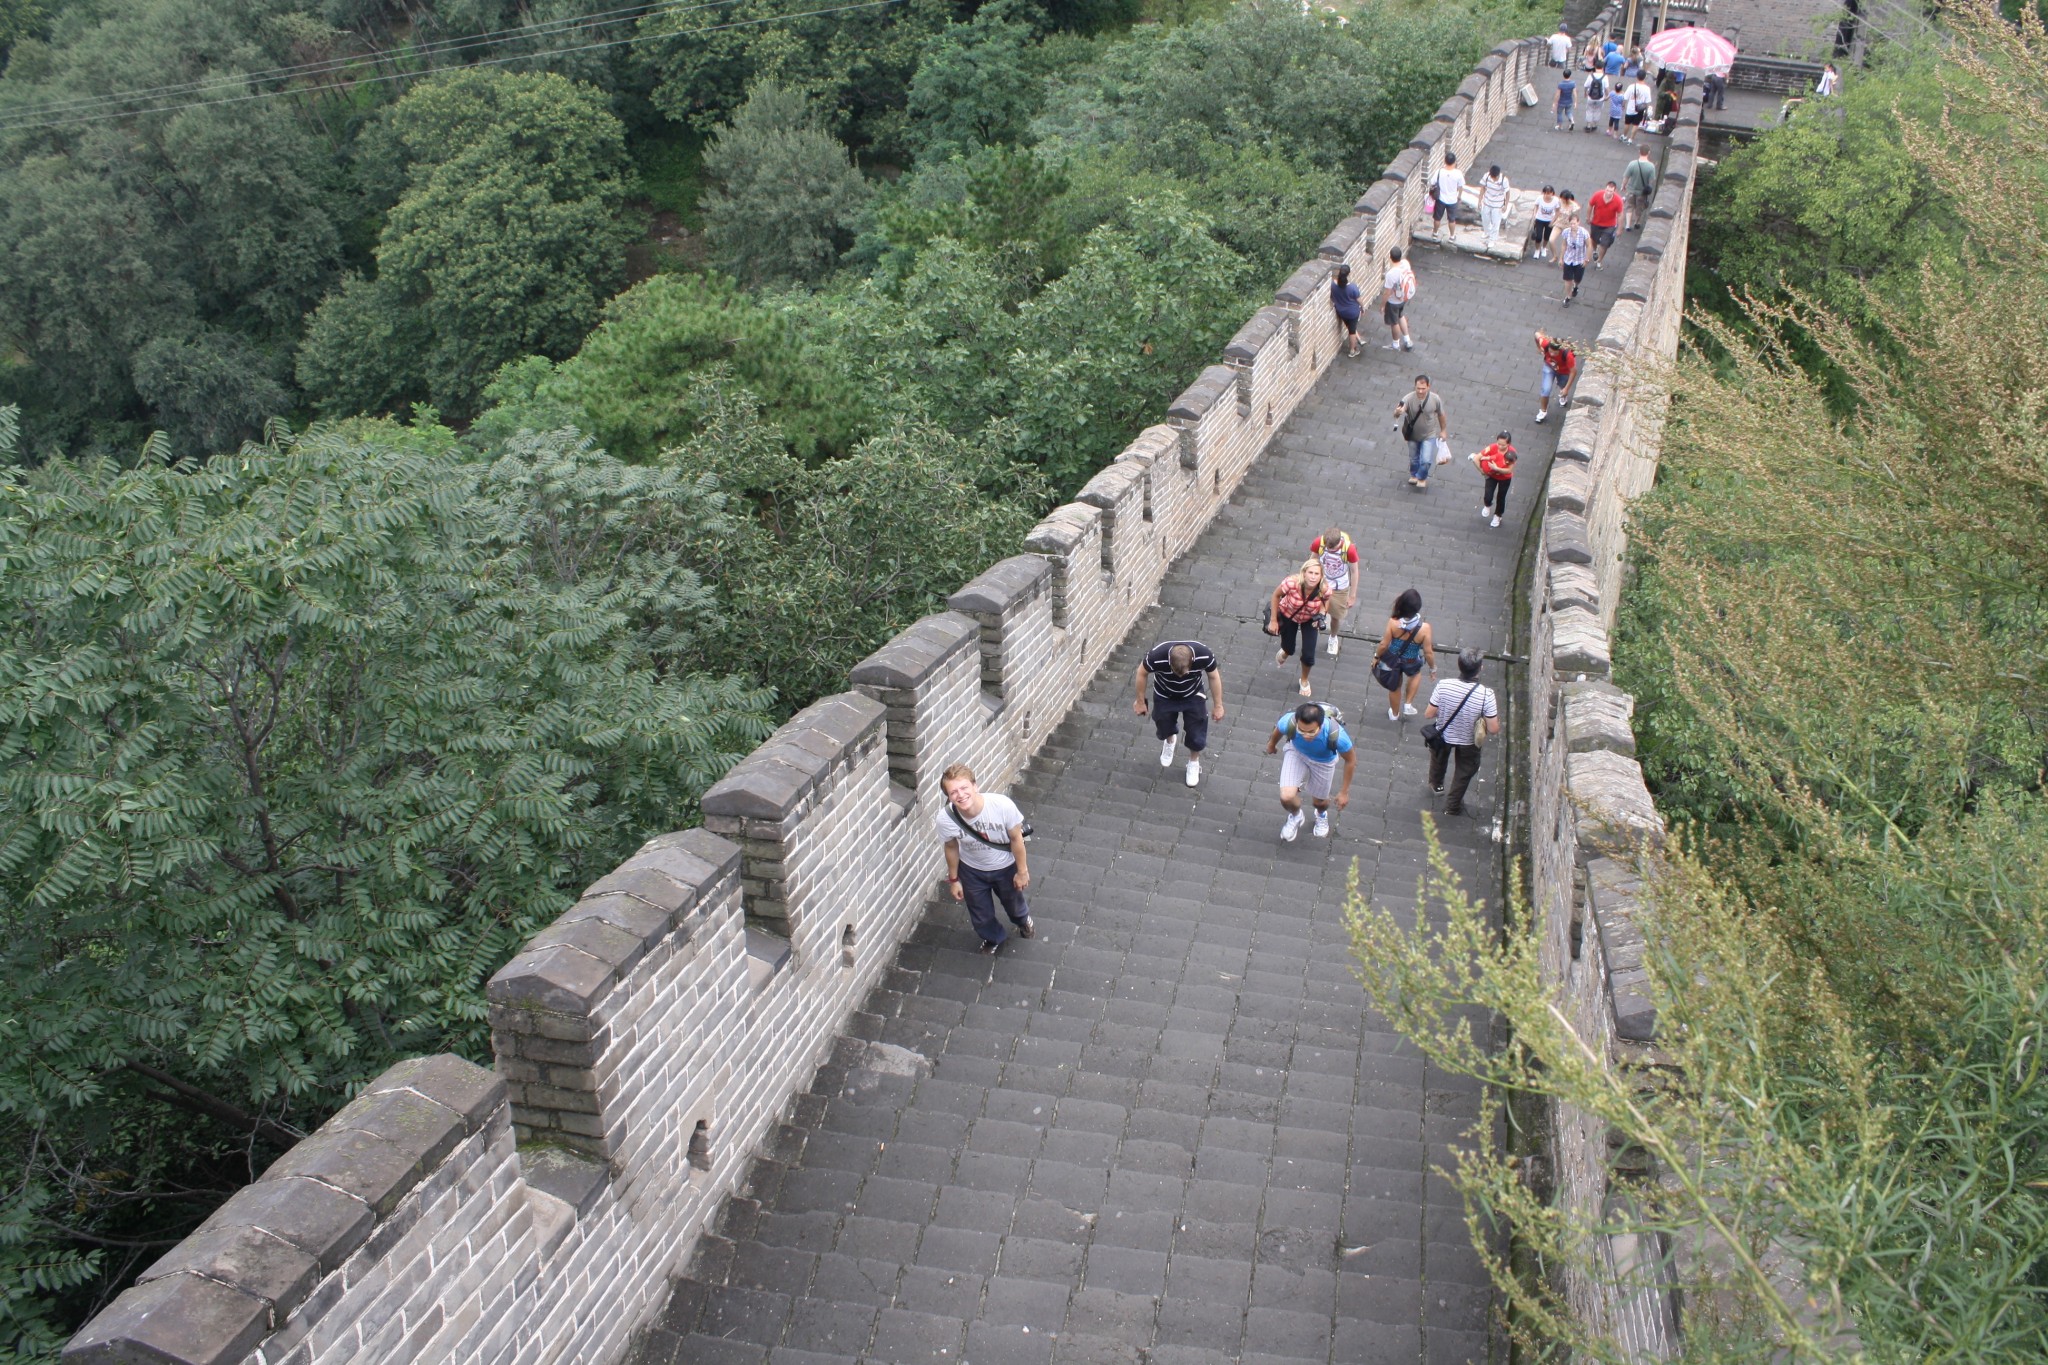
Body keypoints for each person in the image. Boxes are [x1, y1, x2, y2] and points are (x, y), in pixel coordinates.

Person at [938, 764, 1032, 955]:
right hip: (972, 870)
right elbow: (951, 847)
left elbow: (1016, 839)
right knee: (980, 914)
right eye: (953, 792)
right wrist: (954, 880)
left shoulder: (1002, 806)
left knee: (1013, 904)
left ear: (975, 786)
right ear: (948, 796)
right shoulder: (946, 819)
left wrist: (1022, 871)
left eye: (964, 788)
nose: (960, 795)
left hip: (1005, 867)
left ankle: (1023, 920)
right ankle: (993, 937)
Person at [1136, 639, 1224, 787]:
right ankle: (1170, 740)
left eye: (1184, 673)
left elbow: (1214, 676)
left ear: (1192, 661)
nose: (1180, 677)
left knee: (1197, 732)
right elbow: (1141, 673)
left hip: (1193, 695)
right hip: (1164, 694)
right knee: (1163, 723)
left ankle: (1193, 762)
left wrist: (1218, 706)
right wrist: (1140, 701)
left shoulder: (1204, 654)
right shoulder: (1156, 656)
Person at [1424, 649, 1501, 816]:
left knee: (1438, 760)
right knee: (1464, 772)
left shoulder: (1444, 685)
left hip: (1443, 735)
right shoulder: (1486, 695)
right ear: (1480, 668)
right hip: (1469, 741)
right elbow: (1494, 728)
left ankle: (1437, 785)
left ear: (1459, 666)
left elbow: (1429, 713)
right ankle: (1452, 806)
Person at [1265, 701, 1355, 842]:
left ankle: (1321, 814)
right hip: (1296, 753)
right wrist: (1271, 744)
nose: (1306, 736)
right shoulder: (1290, 721)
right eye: (1302, 730)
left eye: (1312, 731)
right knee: (1286, 797)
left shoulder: (1337, 736)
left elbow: (1351, 761)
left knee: (1320, 802)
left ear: (1321, 725)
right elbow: (1279, 729)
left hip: (1323, 762)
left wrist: (1344, 792)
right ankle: (1296, 816)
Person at [1265, 558, 1333, 698]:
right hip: (1289, 615)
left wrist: (1321, 615)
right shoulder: (1291, 583)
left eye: (1316, 574)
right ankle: (1285, 652)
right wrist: (1273, 620)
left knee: (1309, 655)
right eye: (1310, 573)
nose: (1313, 577)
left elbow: (1326, 602)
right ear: (1304, 572)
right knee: (1289, 648)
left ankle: (1304, 680)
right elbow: (1276, 595)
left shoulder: (1324, 589)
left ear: (1321, 576)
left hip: (1310, 619)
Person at [1371, 588, 1435, 720]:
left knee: (1395, 686)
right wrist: (1433, 667)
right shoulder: (1424, 628)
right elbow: (1428, 652)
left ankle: (1394, 714)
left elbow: (1384, 644)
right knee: (1416, 674)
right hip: (1411, 660)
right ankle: (1408, 703)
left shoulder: (1393, 622)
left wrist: (1376, 657)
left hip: (1392, 659)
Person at [1308, 527, 1360, 654]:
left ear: (1339, 543)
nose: (1330, 551)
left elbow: (1354, 572)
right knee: (1313, 613)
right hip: (1320, 583)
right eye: (1328, 548)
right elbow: (1311, 561)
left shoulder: (1349, 549)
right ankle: (1311, 637)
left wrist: (1352, 595)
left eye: (1333, 549)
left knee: (1336, 616)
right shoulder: (1318, 543)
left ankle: (1333, 638)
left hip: (1340, 587)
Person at [1394, 373, 1448, 491]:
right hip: (1412, 434)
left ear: (1428, 387)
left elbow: (1441, 414)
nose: (1420, 391)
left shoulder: (1435, 399)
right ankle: (1414, 474)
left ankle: (1422, 477)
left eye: (1423, 388)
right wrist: (1398, 412)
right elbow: (1398, 411)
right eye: (1418, 388)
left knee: (1426, 460)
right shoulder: (1408, 398)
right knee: (1414, 458)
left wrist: (1443, 430)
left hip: (1429, 434)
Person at [1473, 431, 1516, 529]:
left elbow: (1509, 470)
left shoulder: (1512, 453)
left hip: (1504, 478)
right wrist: (1482, 471)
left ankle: (1498, 515)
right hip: (1491, 476)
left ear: (1508, 444)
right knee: (1488, 494)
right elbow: (1476, 458)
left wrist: (1497, 469)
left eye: (1503, 445)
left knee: (1501, 497)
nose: (1500, 446)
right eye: (1498, 443)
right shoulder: (1492, 447)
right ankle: (1487, 505)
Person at [1534, 331, 1577, 422]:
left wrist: (1566, 389)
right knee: (1546, 389)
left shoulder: (1568, 355)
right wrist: (1539, 347)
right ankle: (1543, 411)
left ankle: (1563, 395)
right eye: (1550, 352)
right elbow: (1537, 334)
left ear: (1560, 350)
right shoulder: (1545, 344)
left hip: (1564, 371)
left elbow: (1573, 372)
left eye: (1555, 353)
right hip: (1549, 367)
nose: (1552, 354)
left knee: (1562, 385)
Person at [1380, 245, 1416, 351]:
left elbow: (1387, 292)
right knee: (1401, 316)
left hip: (1393, 301)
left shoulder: (1391, 274)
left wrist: (1382, 305)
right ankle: (1407, 339)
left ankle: (1395, 344)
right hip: (1404, 298)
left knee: (1394, 322)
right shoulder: (1405, 263)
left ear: (1390, 257)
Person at [1330, 263, 1363, 359]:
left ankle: (1359, 340)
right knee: (1352, 331)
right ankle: (1352, 350)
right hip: (1352, 312)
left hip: (1341, 312)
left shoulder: (1333, 285)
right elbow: (1359, 300)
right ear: (1348, 274)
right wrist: (1362, 307)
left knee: (1350, 326)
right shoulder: (1352, 287)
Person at [1430, 152, 1465, 241]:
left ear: (1445, 161)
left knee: (1437, 217)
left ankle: (1435, 233)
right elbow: (1461, 186)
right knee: (1451, 219)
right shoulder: (1458, 173)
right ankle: (1452, 236)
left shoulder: (1439, 171)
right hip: (1452, 199)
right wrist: (1459, 196)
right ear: (1454, 162)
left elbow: (1432, 182)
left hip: (1441, 199)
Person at [1558, 214, 1591, 307]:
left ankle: (1576, 286)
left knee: (1577, 278)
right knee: (1568, 280)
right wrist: (1561, 258)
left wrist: (1586, 259)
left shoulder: (1584, 233)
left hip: (1579, 259)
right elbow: (1564, 245)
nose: (1573, 225)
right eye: (1571, 224)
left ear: (1578, 222)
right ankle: (1568, 296)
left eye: (1574, 223)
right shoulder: (1566, 232)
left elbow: (1589, 246)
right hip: (1568, 259)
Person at [1588, 181, 1624, 267]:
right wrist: (1588, 217)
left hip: (1609, 225)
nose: (1608, 193)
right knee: (1593, 239)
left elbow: (1620, 215)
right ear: (1605, 188)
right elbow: (1590, 205)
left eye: (1610, 191)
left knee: (1605, 244)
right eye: (1607, 190)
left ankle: (1599, 260)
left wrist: (1619, 229)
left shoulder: (1618, 201)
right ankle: (1595, 250)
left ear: (1614, 191)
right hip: (1596, 222)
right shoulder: (1597, 195)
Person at [1622, 145, 1658, 230]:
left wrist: (1623, 185)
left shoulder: (1632, 164)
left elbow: (1626, 177)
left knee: (1629, 207)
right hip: (1642, 192)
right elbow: (1651, 180)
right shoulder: (1651, 166)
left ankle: (1627, 225)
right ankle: (1637, 222)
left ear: (1639, 152)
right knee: (1639, 208)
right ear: (1649, 153)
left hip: (1631, 190)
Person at [1477, 165, 1511, 246]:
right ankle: (1487, 232)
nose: (1493, 179)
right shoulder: (1487, 176)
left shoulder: (1504, 180)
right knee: (1485, 219)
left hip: (1497, 205)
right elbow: (1482, 188)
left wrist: (1505, 205)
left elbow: (1507, 192)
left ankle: (1492, 239)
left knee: (1496, 222)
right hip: (1487, 202)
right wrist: (1480, 200)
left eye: (1494, 177)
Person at [1529, 185, 1560, 260]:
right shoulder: (1540, 198)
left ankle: (1544, 247)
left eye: (1549, 193)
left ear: (1552, 193)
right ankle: (1537, 250)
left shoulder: (1556, 200)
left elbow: (1557, 211)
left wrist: (1553, 221)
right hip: (1539, 219)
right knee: (1538, 236)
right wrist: (1535, 215)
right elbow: (1536, 206)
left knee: (1547, 236)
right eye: (1545, 193)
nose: (1547, 195)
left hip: (1550, 220)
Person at [1624, 75, 1653, 140]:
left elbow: (1625, 97)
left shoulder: (1631, 86)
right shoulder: (1647, 88)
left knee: (1627, 123)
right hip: (1640, 109)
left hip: (1630, 108)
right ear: (1645, 77)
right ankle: (1631, 139)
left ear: (1637, 77)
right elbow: (1647, 101)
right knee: (1636, 124)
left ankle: (1624, 136)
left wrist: (1623, 105)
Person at [1582, 67, 1607, 132]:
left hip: (1591, 97)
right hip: (1600, 98)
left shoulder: (1591, 76)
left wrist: (1585, 93)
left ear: (1595, 68)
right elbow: (1607, 88)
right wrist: (1606, 96)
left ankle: (1588, 126)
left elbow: (1585, 86)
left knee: (1589, 110)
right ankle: (1594, 125)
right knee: (1598, 111)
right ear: (1602, 68)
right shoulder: (1605, 77)